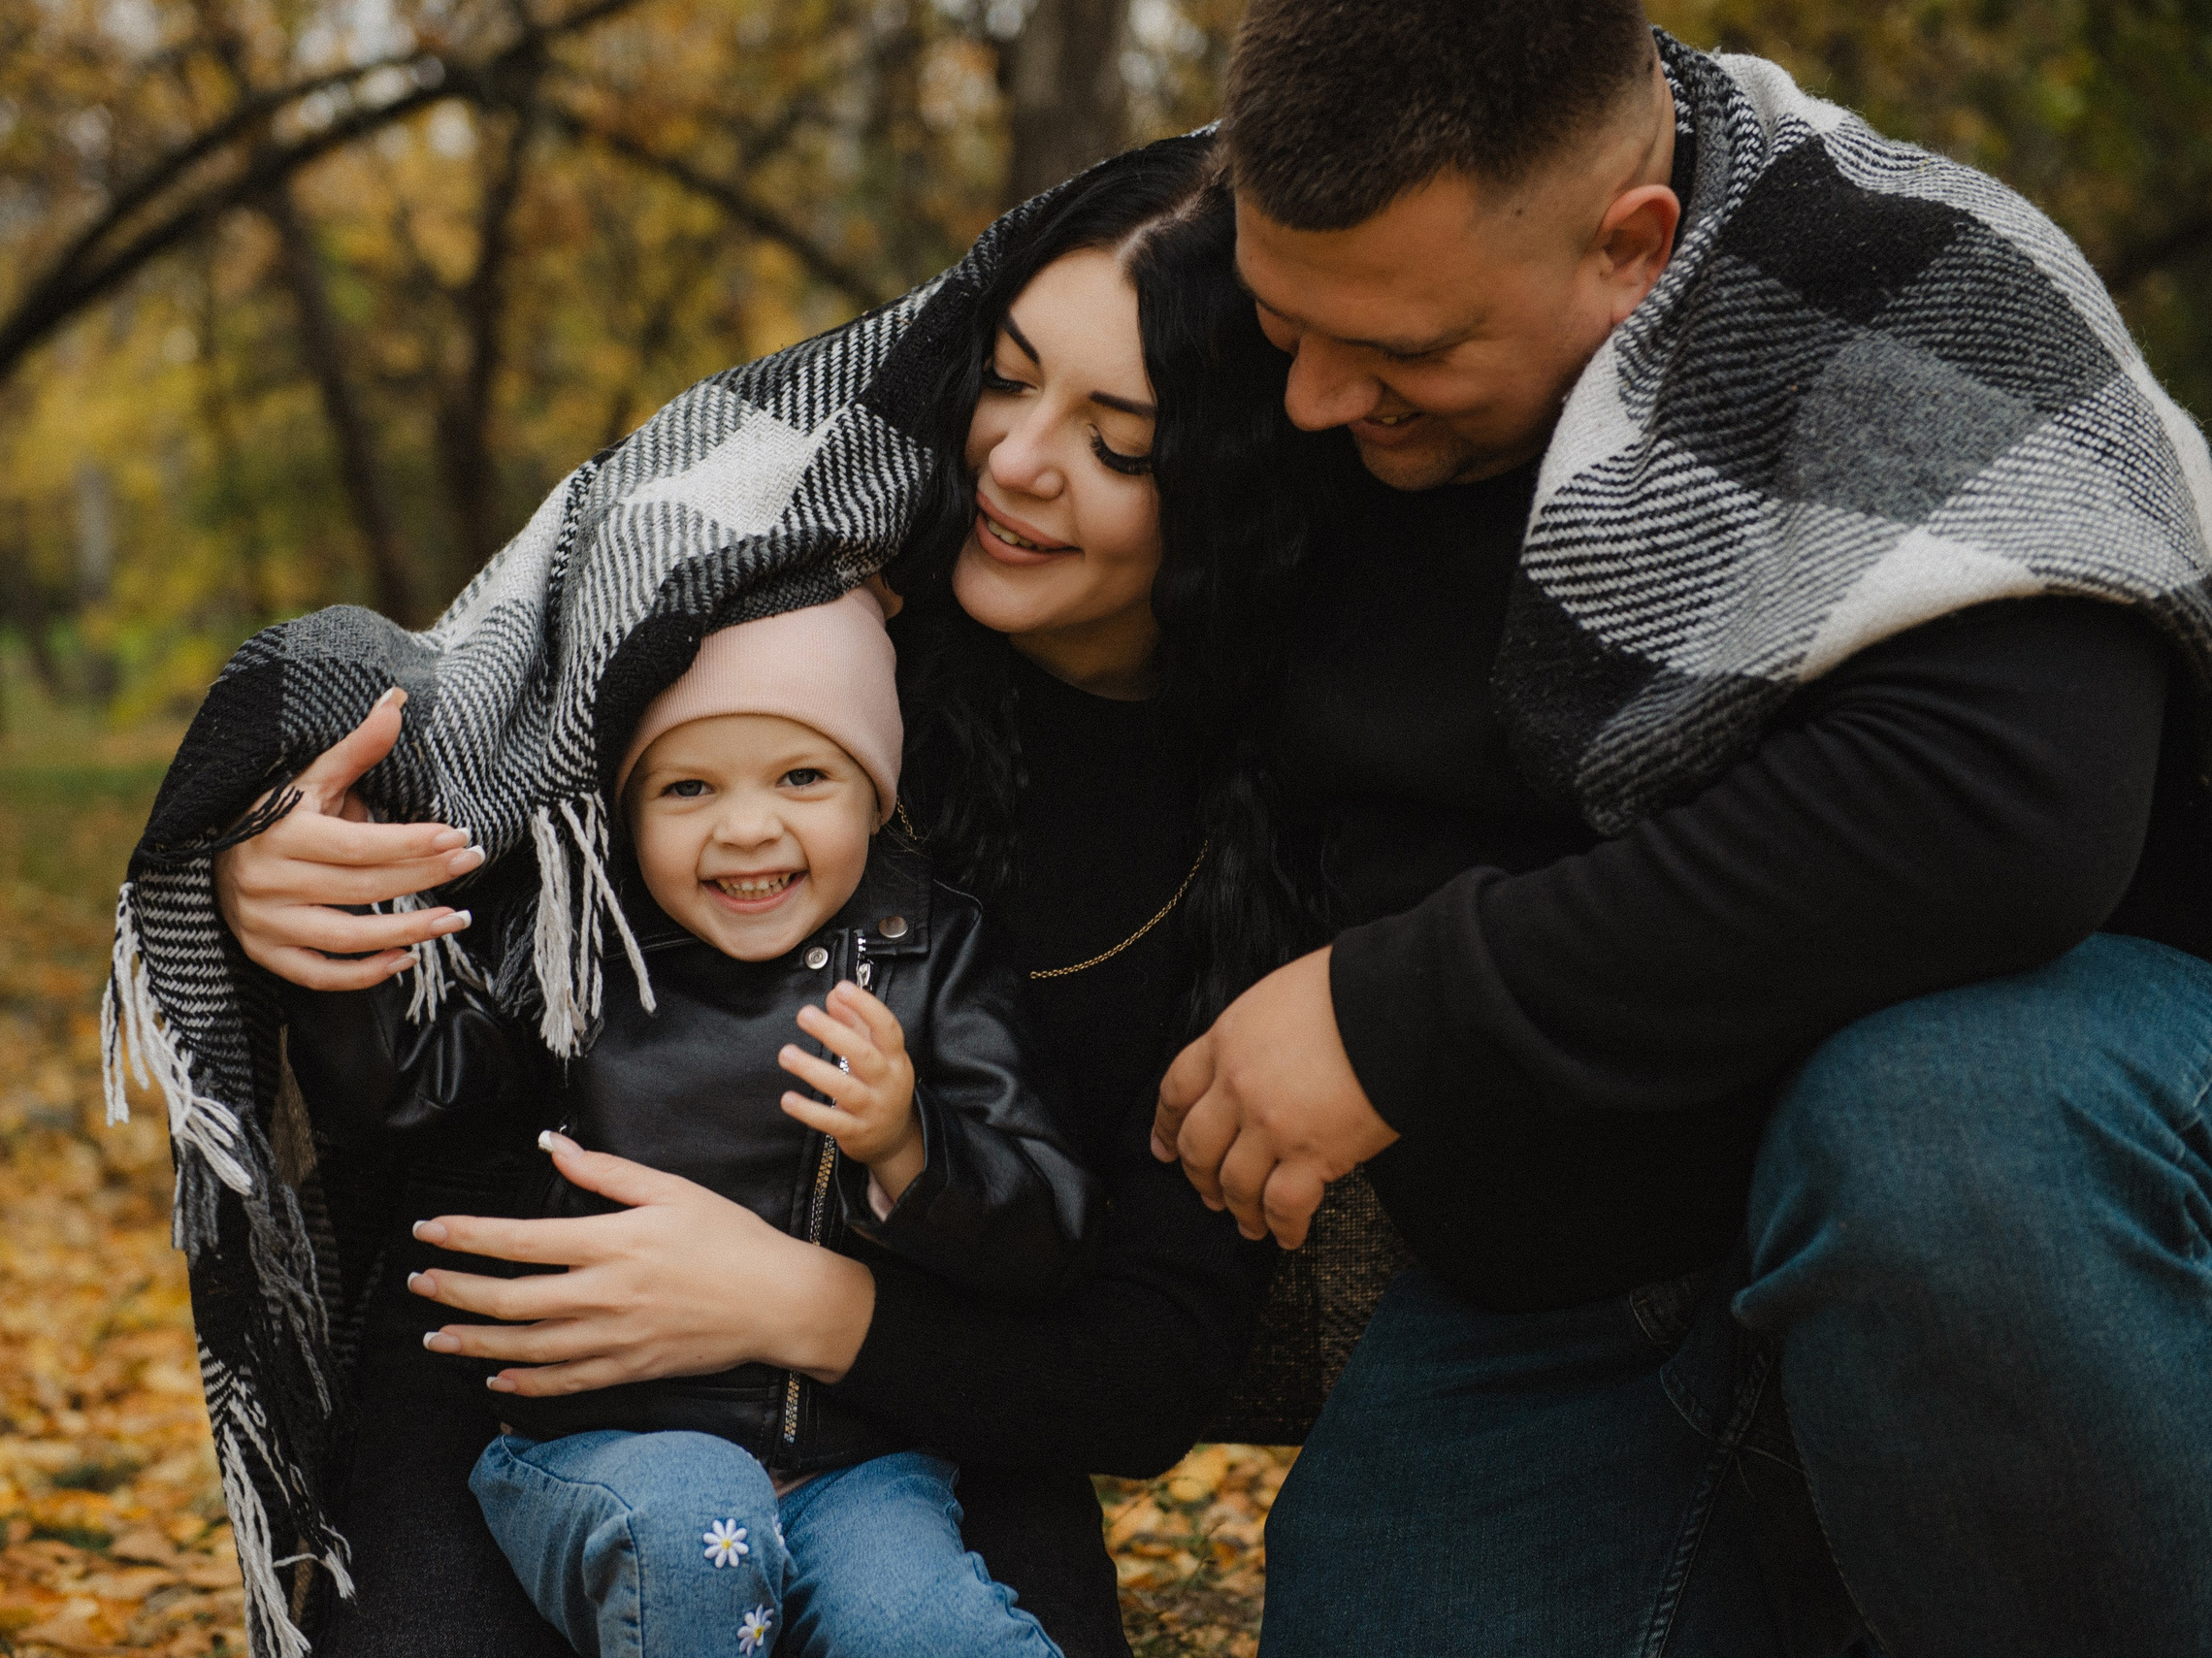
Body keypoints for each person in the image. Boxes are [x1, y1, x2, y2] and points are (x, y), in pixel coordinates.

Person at [1142, 4, 2212, 1656]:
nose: (1312, 397)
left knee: (1927, 1126)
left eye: (1407, 354)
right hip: (1587, 1241)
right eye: (1289, 321)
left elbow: (2006, 810)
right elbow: (841, 444)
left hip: (2073, 1109)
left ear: (1629, 247)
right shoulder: (1272, 262)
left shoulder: (1904, 276)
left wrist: (1395, 1012)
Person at [194, 137, 1326, 1657]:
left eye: (1119, 443)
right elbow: (466, 779)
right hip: (538, 1374)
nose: (1013, 460)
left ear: (1235, 481)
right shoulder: (788, 610)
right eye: (1003, 376)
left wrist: (797, 1303)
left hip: (915, 1420)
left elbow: (1148, 1358)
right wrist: (289, 877)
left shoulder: (1269, 828)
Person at [291, 586, 1091, 1657]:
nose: (747, 825)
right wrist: (350, 917)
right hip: (601, 1445)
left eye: (803, 774)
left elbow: (1046, 1221)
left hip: (854, 1463)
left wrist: (909, 1144)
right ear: (625, 812)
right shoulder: (582, 952)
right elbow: (419, 1090)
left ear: (877, 793)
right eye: (687, 785)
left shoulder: (932, 954)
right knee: (695, 1515)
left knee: (928, 1623)